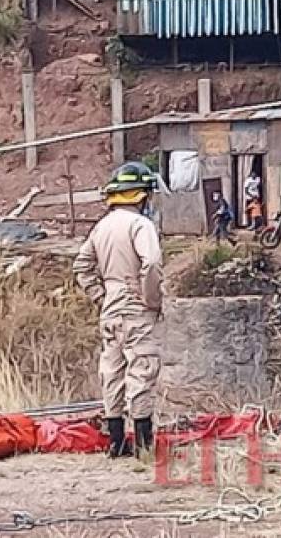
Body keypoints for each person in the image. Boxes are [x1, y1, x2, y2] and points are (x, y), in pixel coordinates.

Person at [73, 162, 163, 459]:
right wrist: (150, 300)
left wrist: (101, 296)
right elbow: (150, 263)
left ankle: (115, 442)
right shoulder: (141, 225)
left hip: (110, 307)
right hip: (135, 306)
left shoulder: (102, 226)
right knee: (142, 368)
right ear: (141, 196)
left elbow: (82, 267)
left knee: (112, 370)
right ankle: (143, 445)